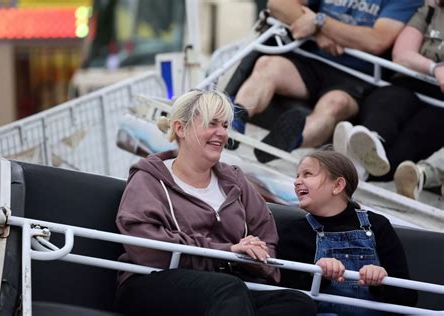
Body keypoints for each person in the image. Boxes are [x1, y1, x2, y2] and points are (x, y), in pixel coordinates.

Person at [115, 89, 316, 316]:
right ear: (180, 128)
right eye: (212, 124)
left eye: (225, 125)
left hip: (229, 286)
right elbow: (146, 247)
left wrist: (254, 258)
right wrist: (227, 252)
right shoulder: (149, 178)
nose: (222, 133)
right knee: (228, 290)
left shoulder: (236, 181)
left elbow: (266, 241)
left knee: (297, 303)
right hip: (153, 282)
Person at [227, 0, 422, 163]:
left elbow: (375, 41)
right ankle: (234, 123)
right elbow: (278, 4)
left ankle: (289, 140)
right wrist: (317, 32)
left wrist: (321, 22)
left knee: (335, 105)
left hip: (356, 76)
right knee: (267, 65)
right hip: (311, 60)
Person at [276, 148, 417, 315]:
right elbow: (285, 296)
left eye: (307, 174)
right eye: (297, 175)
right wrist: (318, 276)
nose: (297, 181)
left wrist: (381, 282)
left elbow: (408, 298)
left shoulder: (378, 226)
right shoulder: (295, 232)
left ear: (337, 185)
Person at [333, 1, 444, 182]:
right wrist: (434, 68)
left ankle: (355, 166)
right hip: (408, 84)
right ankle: (369, 143)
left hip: (440, 104)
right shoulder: (431, 11)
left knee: (422, 129)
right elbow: (402, 54)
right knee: (388, 103)